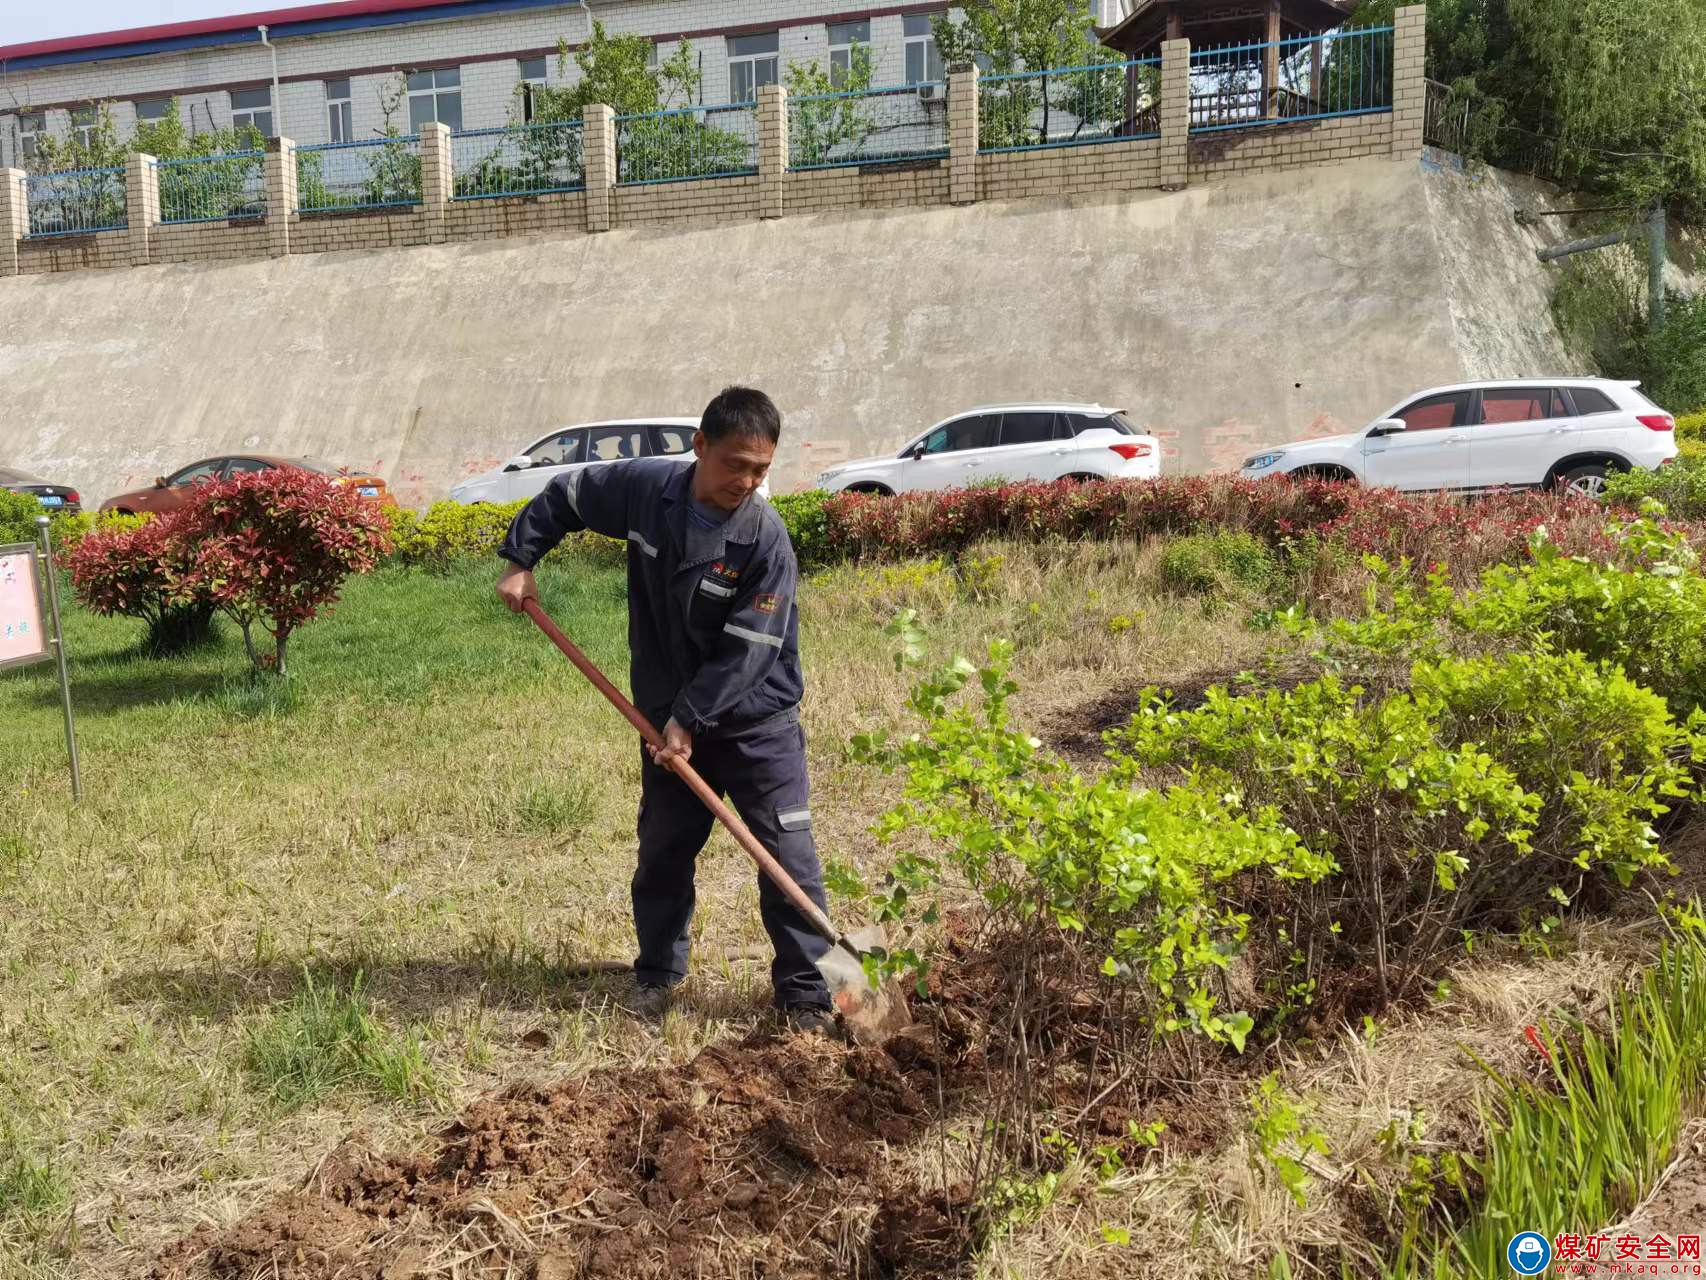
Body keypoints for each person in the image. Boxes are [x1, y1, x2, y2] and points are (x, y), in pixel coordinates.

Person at [495, 387, 835, 1035]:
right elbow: (568, 496)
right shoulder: (647, 491)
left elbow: (752, 648)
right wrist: (521, 558)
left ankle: (807, 995)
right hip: (663, 719)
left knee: (787, 854)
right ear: (699, 446)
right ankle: (656, 974)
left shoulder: (765, 540)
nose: (748, 481)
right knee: (664, 850)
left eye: (762, 470)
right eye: (736, 464)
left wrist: (691, 718)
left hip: (756, 723)